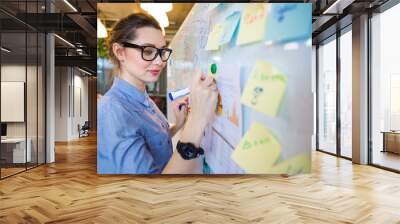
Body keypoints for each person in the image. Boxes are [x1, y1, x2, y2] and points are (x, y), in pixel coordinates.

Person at [97, 13, 218, 174]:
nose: (160, 61)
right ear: (120, 52)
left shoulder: (141, 96)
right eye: (148, 51)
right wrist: (197, 119)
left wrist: (179, 124)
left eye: (162, 52)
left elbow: (152, 141)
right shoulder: (112, 111)